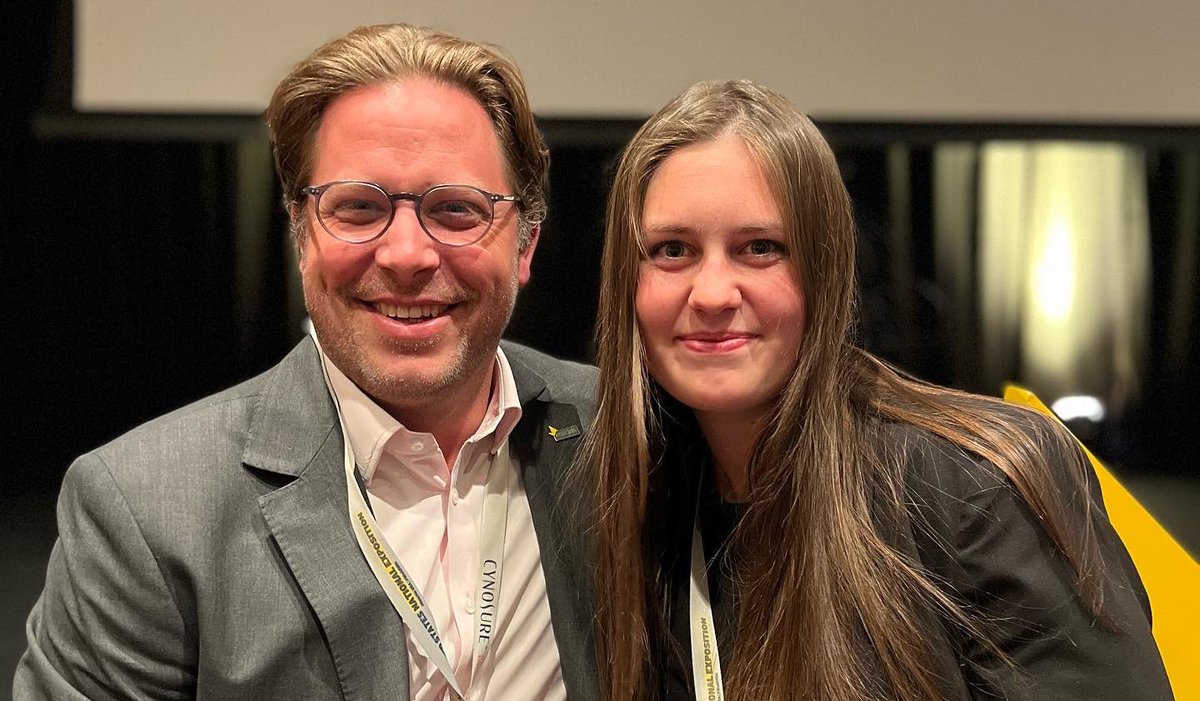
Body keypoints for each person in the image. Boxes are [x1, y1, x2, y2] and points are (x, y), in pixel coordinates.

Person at [15, 24, 599, 700]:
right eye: (357, 208)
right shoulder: (145, 510)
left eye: (457, 210)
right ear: (300, 235)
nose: (406, 254)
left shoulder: (627, 436)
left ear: (525, 244)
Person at [581, 79, 1173, 700]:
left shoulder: (980, 487)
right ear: (628, 283)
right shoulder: (639, 512)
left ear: (826, 270)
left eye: (761, 249)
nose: (711, 294)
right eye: (672, 250)